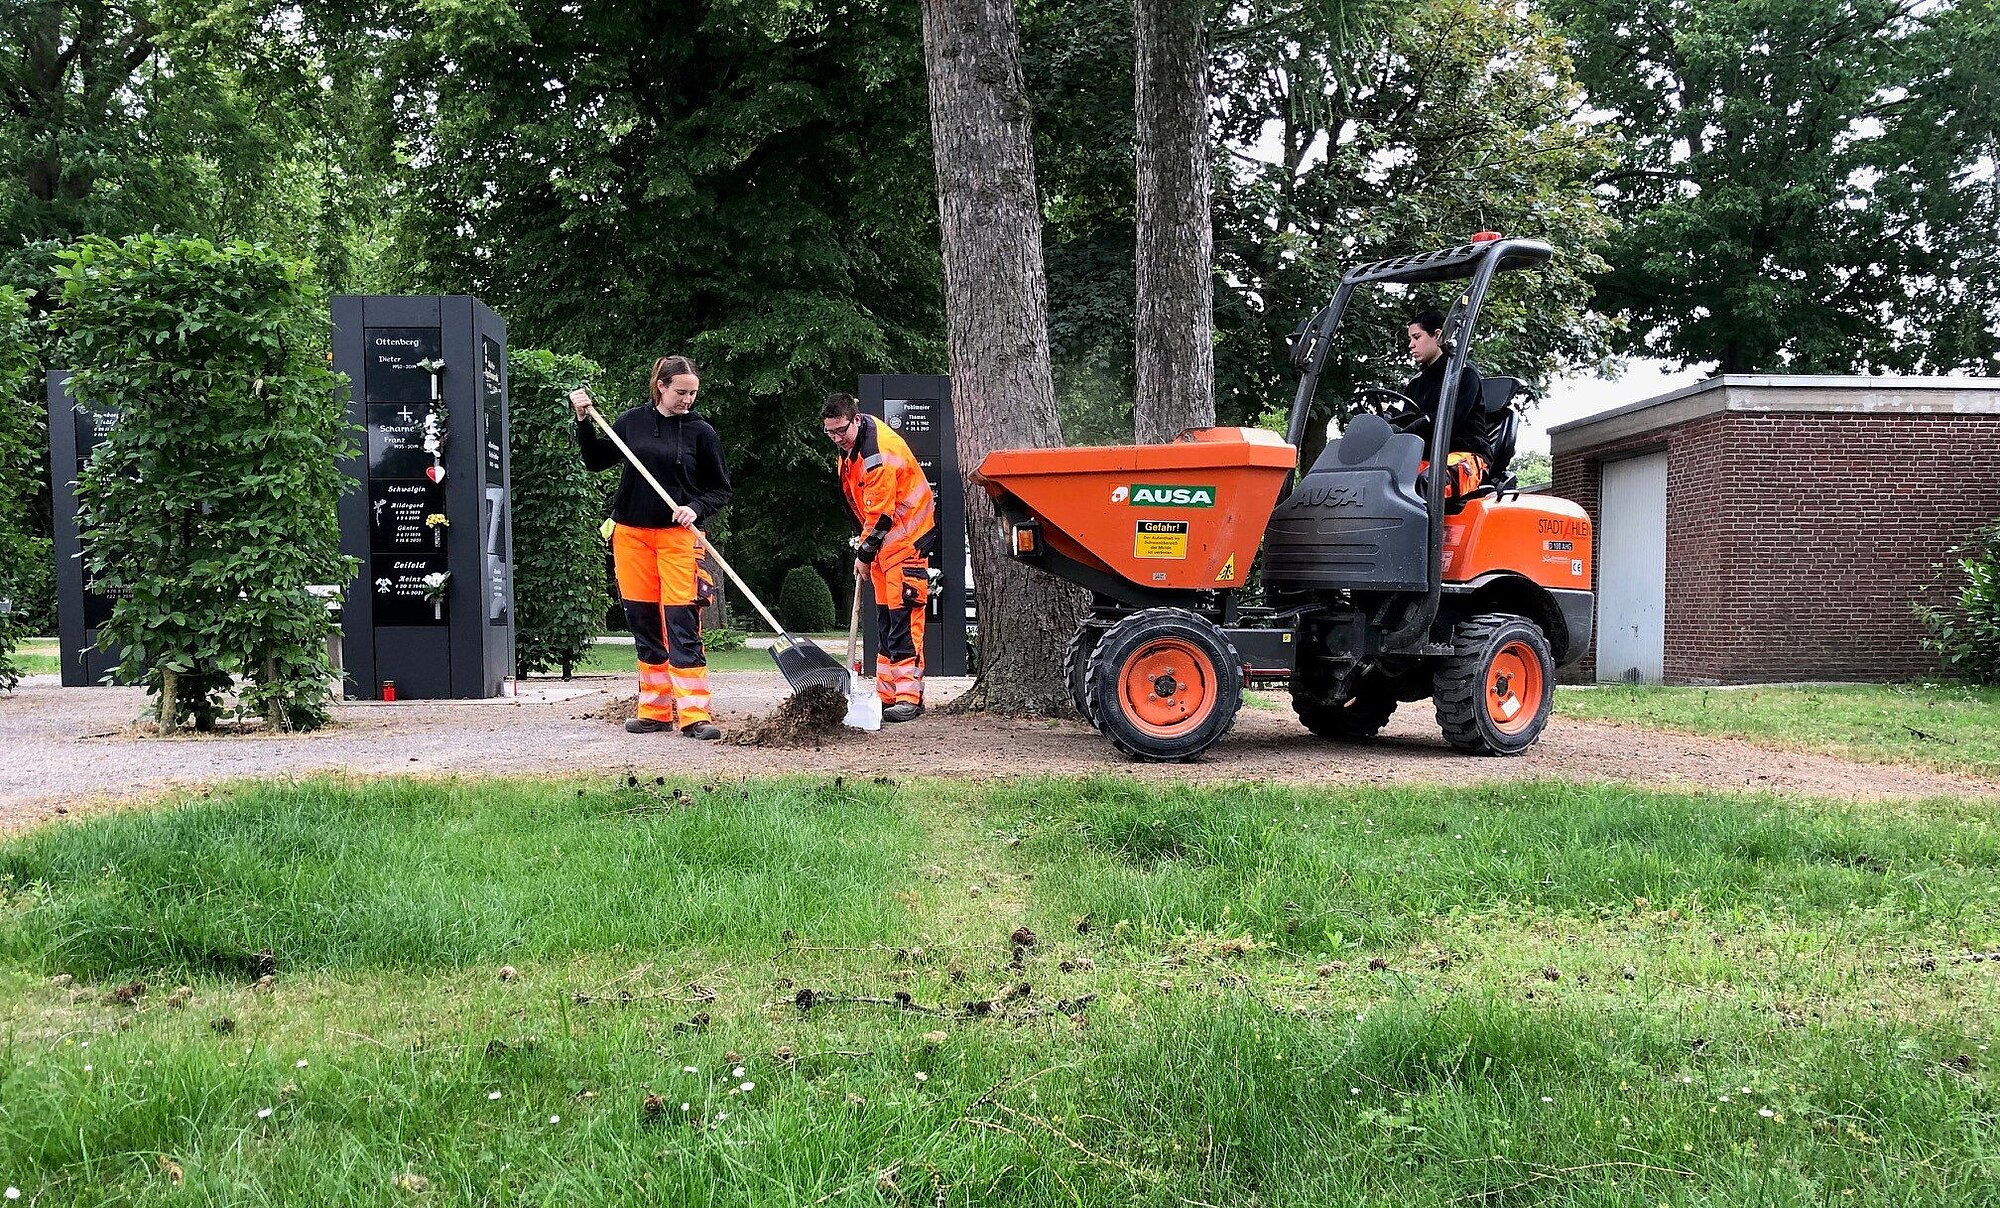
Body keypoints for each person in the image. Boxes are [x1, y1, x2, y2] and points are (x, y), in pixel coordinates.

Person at [571, 356, 731, 739]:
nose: (687, 399)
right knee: (643, 621)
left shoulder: (701, 432)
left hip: (678, 539)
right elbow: (595, 461)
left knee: (681, 622)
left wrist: (694, 508)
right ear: (661, 386)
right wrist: (582, 421)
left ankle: (695, 715)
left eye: (692, 393)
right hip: (631, 535)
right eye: (680, 392)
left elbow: (720, 489)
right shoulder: (631, 422)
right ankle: (655, 711)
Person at [822, 393, 936, 722]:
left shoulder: (876, 454)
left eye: (841, 430)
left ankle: (909, 697)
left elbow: (882, 514)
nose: (836, 438)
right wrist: (870, 548)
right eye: (829, 432)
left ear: (855, 419)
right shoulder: (851, 448)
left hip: (905, 538)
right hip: (886, 541)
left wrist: (864, 552)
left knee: (903, 619)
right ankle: (888, 693)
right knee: (887, 618)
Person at [1396, 307, 1492, 500]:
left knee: (1427, 482)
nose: (1411, 345)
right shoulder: (1415, 385)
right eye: (1410, 339)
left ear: (1437, 335)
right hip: (1428, 456)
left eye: (1417, 337)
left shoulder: (1464, 377)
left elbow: (1449, 422)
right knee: (1383, 480)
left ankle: (1421, 530)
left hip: (1466, 455)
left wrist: (1421, 421)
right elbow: (1406, 423)